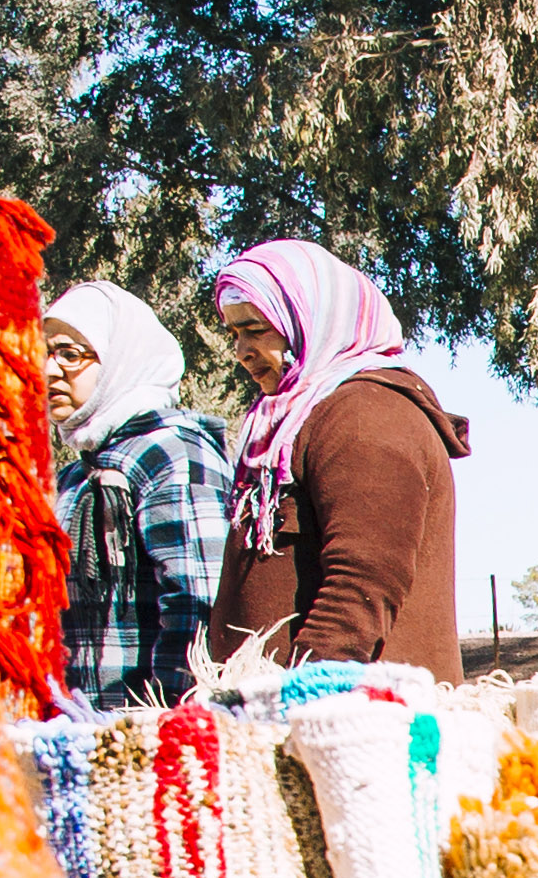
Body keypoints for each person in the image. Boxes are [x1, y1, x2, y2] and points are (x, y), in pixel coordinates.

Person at [207, 238, 468, 680]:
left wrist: (307, 696)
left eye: (255, 329)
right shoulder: (295, 418)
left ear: (306, 322)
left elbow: (360, 586)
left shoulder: (365, 415)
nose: (242, 352)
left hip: (356, 727)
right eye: (234, 334)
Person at [46, 281, 230, 709]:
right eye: (45, 354)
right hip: (74, 733)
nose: (50, 371)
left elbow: (199, 605)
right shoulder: (77, 472)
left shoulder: (173, 452)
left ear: (118, 359)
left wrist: (164, 724)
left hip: (146, 738)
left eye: (70, 355)